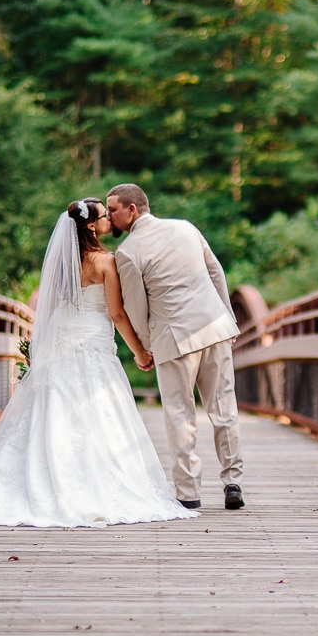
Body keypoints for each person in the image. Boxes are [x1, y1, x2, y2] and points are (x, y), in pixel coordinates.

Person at [0, 199, 198, 527]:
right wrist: (140, 352)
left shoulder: (60, 263)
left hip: (62, 342)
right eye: (105, 216)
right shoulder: (105, 262)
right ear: (92, 225)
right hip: (92, 343)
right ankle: (91, 482)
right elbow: (117, 314)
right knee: (98, 409)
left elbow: (47, 307)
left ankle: (44, 479)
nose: (109, 220)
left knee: (54, 409)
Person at [105, 183, 245, 510]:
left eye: (112, 209)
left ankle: (188, 492)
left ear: (132, 210)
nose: (109, 216)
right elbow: (215, 272)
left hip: (174, 339)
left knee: (180, 415)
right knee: (224, 408)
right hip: (214, 329)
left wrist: (145, 349)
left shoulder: (128, 252)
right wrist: (227, 316)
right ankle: (232, 481)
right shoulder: (186, 228)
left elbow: (136, 309)